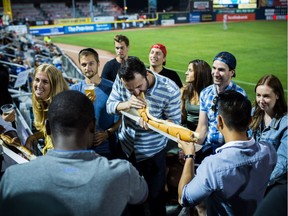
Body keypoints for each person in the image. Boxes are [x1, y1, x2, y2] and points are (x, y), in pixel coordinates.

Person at [0, 90, 148, 216]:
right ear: (93, 126)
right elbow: (141, 196)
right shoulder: (123, 173)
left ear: (48, 128)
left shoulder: (12, 178)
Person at [177, 90, 277, 216]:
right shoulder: (269, 150)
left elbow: (184, 198)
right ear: (250, 121)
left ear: (219, 121)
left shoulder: (213, 165)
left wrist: (189, 156)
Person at [106, 56, 181, 216]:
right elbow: (110, 105)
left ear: (147, 73)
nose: (136, 92)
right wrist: (126, 104)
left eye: (139, 86)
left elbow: (175, 124)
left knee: (156, 200)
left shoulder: (170, 89)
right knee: (130, 198)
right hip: (125, 149)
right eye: (130, 89)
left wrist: (154, 123)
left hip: (152, 154)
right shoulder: (121, 80)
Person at [195, 51, 247, 162]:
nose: (215, 73)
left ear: (232, 72)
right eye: (214, 68)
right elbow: (202, 127)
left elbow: (242, 131)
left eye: (221, 70)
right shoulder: (205, 93)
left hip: (228, 151)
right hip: (208, 148)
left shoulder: (239, 95)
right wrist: (192, 148)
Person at [70, 48, 120, 159]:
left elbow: (122, 118)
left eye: (91, 63)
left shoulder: (112, 88)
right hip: (82, 149)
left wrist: (107, 133)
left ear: (98, 63)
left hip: (107, 149)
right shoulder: (74, 90)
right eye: (84, 65)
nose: (87, 68)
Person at [250, 74, 287, 190]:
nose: (261, 100)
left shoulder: (285, 124)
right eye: (258, 95)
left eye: (266, 96)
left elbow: (282, 163)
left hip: (273, 184)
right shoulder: (253, 114)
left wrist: (259, 184)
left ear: (277, 95)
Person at [26, 63, 69, 155]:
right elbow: (47, 131)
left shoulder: (62, 108)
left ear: (54, 86)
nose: (39, 85)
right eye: (37, 80)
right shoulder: (43, 101)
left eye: (45, 82)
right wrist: (32, 137)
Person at [181, 59, 213, 131]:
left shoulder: (210, 94)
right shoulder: (186, 91)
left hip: (204, 133)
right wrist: (181, 100)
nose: (186, 73)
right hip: (187, 130)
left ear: (199, 73)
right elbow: (182, 118)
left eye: (190, 70)